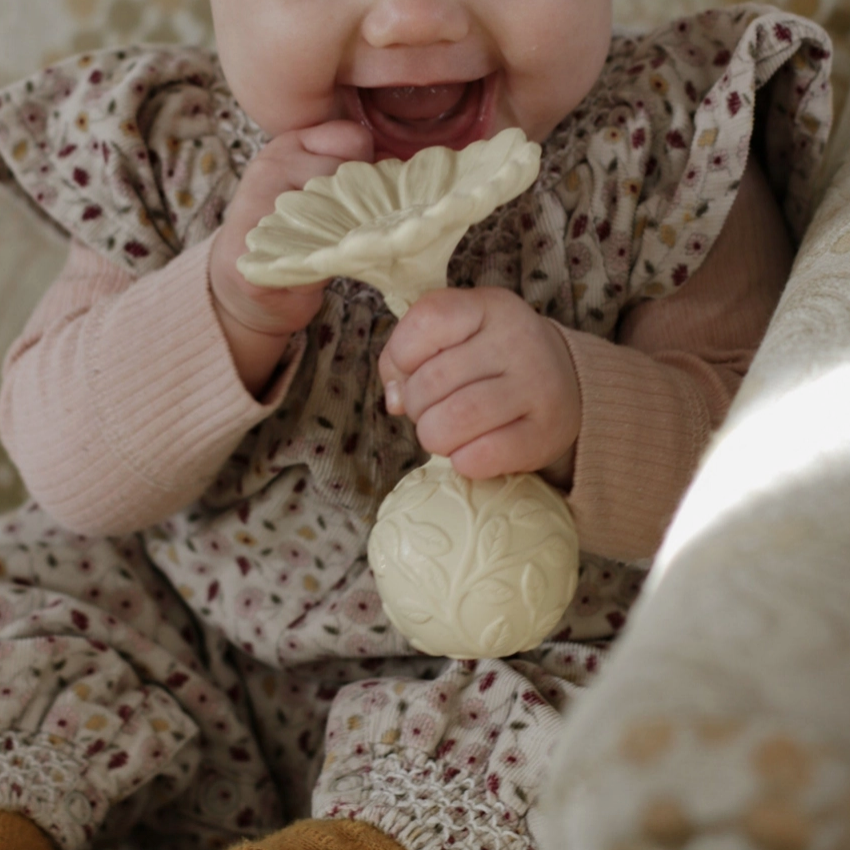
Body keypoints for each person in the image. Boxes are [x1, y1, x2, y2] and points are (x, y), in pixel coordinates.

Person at [0, 1, 832, 848]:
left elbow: (765, 488)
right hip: (185, 635)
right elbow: (63, 473)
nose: (413, 20)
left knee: (634, 720)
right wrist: (225, 304)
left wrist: (585, 407)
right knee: (33, 622)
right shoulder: (170, 149)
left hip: (514, 674)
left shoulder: (668, 139)